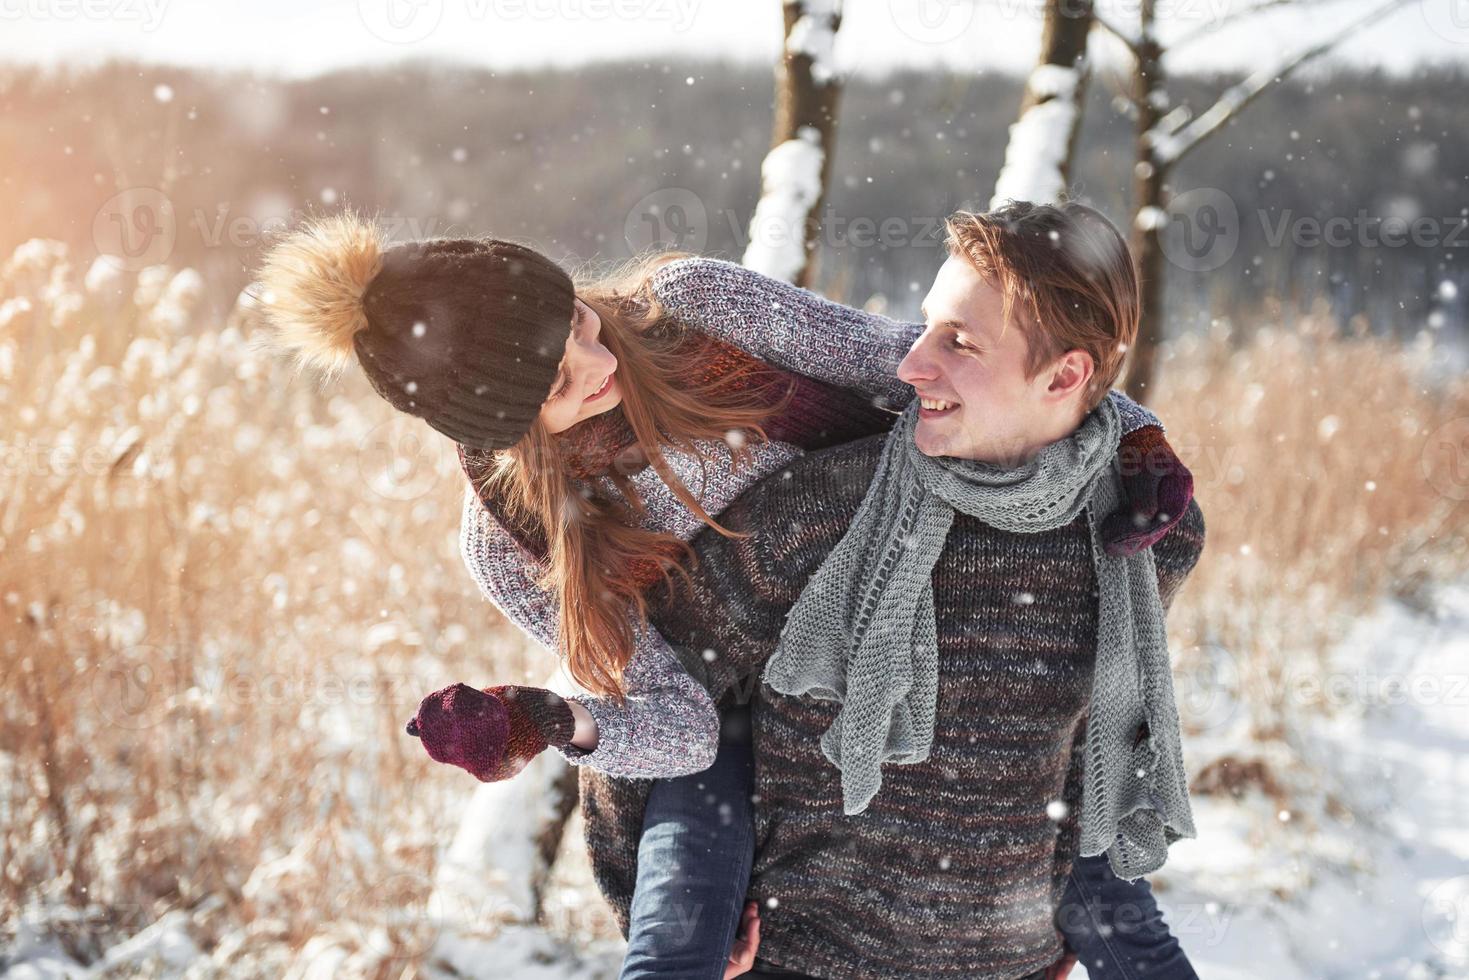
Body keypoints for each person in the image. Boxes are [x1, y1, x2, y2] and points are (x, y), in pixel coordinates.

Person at [257, 208, 1196, 979]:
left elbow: (936, 369)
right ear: (495, 424)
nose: (599, 362)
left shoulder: (695, 312)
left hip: (897, 604)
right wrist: (551, 720)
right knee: (680, 920)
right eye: (555, 379)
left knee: (1081, 839)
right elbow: (674, 725)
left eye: (577, 320)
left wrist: (1133, 444)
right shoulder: (512, 541)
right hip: (728, 704)